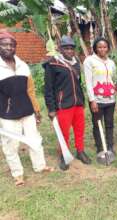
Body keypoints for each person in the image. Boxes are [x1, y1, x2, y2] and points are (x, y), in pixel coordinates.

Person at [0, 30, 53, 186]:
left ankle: (40, 166)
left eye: (11, 45)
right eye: (4, 44)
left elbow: (30, 90)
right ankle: (17, 174)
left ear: (15, 47)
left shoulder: (23, 65)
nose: (8, 47)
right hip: (7, 114)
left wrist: (36, 110)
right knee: (11, 144)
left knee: (35, 140)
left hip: (27, 111)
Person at [43, 36, 91, 171]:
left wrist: (82, 100)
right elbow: (48, 89)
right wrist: (51, 109)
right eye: (66, 48)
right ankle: (64, 154)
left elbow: (78, 84)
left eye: (71, 48)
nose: (69, 51)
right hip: (63, 104)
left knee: (79, 129)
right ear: (60, 49)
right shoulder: (52, 64)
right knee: (64, 132)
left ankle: (80, 151)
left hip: (78, 104)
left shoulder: (76, 63)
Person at [84, 37, 116, 157]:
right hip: (97, 100)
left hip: (110, 99)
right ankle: (100, 148)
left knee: (109, 124)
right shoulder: (89, 61)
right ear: (95, 48)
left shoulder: (111, 62)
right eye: (100, 47)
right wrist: (92, 100)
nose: (102, 49)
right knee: (98, 124)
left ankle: (110, 145)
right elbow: (88, 82)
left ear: (108, 48)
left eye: (104, 47)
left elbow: (113, 79)